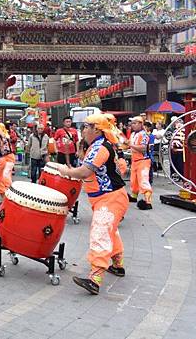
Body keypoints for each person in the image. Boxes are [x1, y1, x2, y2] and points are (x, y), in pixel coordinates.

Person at [57, 114, 128, 295]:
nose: (83, 129)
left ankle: (95, 279)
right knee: (111, 232)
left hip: (110, 198)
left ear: (97, 129)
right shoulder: (98, 145)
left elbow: (84, 172)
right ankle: (118, 265)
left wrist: (66, 171)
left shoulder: (100, 147)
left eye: (86, 126)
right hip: (108, 198)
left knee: (100, 234)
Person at [128, 116, 153, 210]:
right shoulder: (133, 134)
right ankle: (134, 197)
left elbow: (143, 148)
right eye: (132, 123)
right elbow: (130, 146)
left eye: (135, 123)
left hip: (143, 161)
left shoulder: (144, 134)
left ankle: (148, 201)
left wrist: (129, 145)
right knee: (133, 181)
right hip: (134, 160)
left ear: (140, 124)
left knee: (143, 181)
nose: (132, 125)